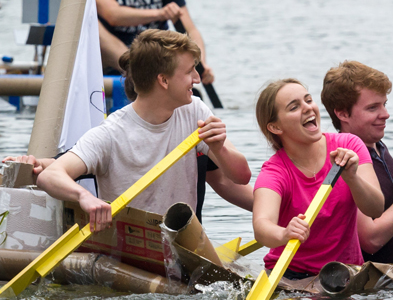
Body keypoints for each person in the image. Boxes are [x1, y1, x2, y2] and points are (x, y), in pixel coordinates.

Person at [35, 29, 250, 232]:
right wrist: (84, 197)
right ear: (163, 80)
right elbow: (50, 176)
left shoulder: (195, 110)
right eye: (189, 71)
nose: (197, 78)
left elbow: (241, 177)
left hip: (182, 246)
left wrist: (220, 149)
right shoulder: (111, 133)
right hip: (131, 251)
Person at [252, 79, 384, 280]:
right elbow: (261, 226)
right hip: (291, 276)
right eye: (294, 107)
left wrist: (352, 178)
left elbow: (376, 208)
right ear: (275, 127)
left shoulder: (349, 145)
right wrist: (284, 234)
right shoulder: (275, 171)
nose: (308, 108)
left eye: (308, 100)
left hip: (344, 273)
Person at [320, 61, 393, 266]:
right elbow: (370, 239)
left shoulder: (377, 146)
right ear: (342, 114)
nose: (385, 114)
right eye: (372, 108)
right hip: (362, 290)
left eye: (384, 104)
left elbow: (390, 210)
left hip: (388, 291)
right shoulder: (345, 161)